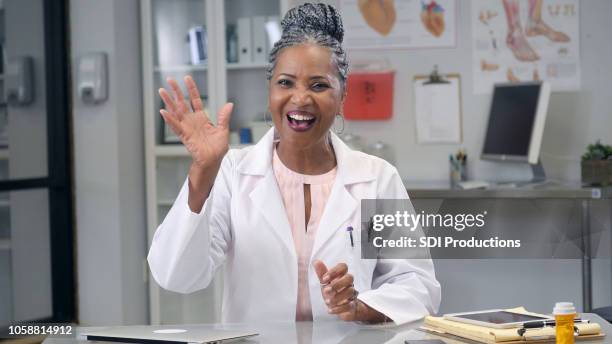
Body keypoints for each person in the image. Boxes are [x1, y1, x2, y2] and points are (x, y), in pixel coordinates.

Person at [148, 2, 440, 325]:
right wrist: (202, 172)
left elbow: (419, 287)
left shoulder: (377, 178)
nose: (300, 98)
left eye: (319, 85)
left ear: (343, 95)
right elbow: (175, 275)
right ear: (270, 91)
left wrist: (360, 306)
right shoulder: (233, 171)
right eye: (285, 83)